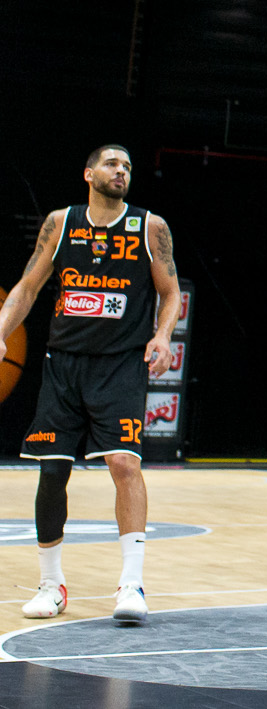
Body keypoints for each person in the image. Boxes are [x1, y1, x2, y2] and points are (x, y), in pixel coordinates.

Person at [0, 144, 177, 625]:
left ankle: (131, 584)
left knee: (124, 462)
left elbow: (170, 293)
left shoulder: (150, 227)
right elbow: (28, 287)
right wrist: (2, 330)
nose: (121, 171)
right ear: (88, 173)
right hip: (64, 363)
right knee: (52, 470)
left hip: (120, 364)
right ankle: (51, 585)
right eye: (112, 164)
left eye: (127, 166)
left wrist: (162, 336)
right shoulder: (60, 223)